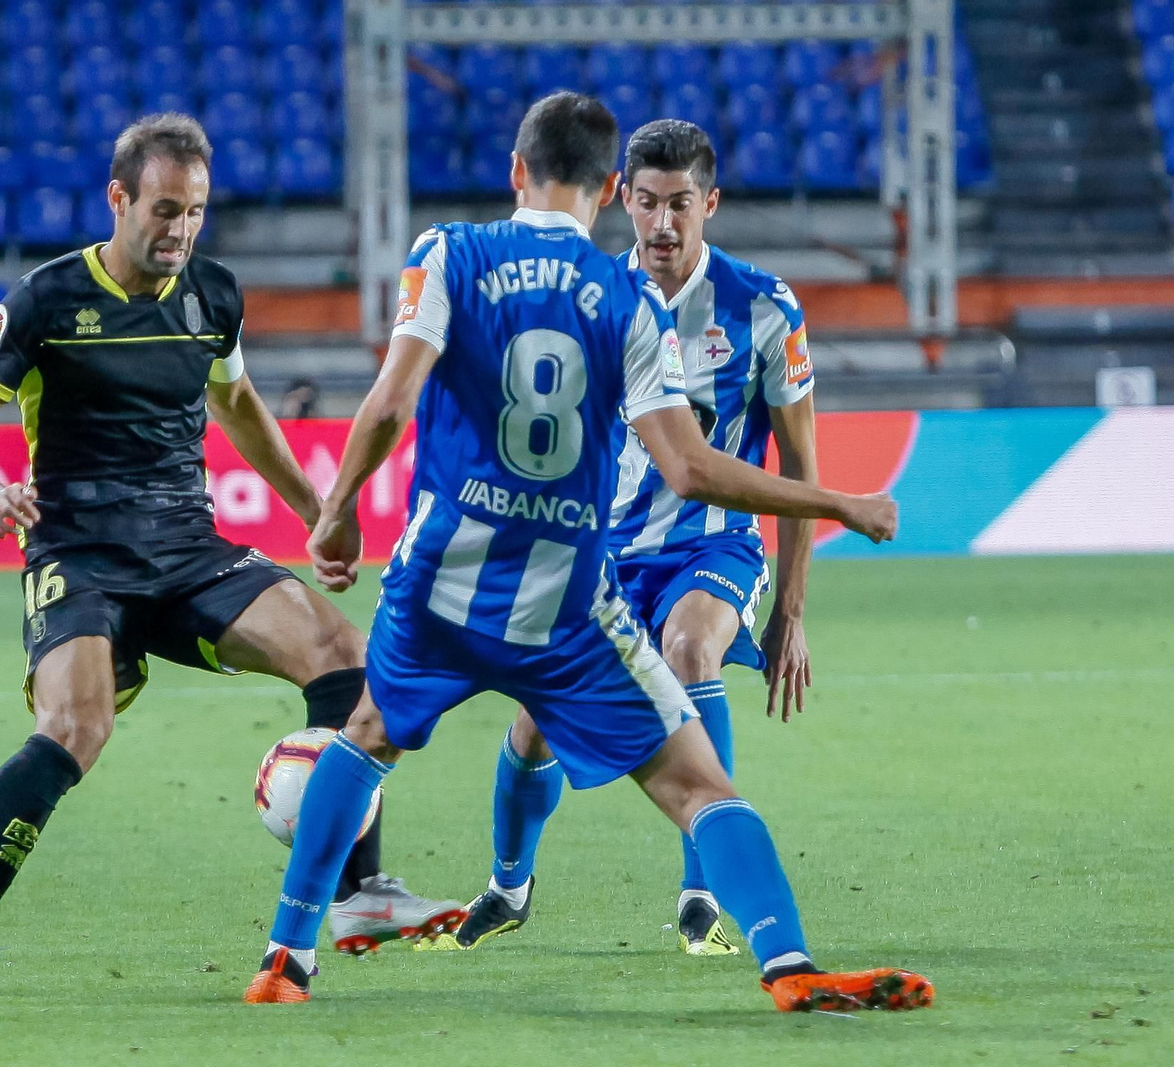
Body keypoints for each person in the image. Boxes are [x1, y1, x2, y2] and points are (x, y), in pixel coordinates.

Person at [243, 92, 932, 1014]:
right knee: (696, 784)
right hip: (566, 603)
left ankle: (287, 959)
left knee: (365, 735)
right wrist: (838, 502)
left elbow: (393, 401)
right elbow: (689, 467)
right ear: (613, 191)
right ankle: (788, 963)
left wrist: (334, 513)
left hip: (439, 578)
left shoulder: (447, 253)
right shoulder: (630, 301)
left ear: (517, 170)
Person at [0, 114, 458, 999]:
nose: (181, 230)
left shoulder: (212, 295)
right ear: (118, 199)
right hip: (79, 549)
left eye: (196, 212)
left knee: (344, 653)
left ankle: (357, 893)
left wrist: (321, 510)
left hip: (187, 548)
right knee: (76, 726)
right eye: (165, 210)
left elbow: (238, 408)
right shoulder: (46, 300)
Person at [447, 120, 823, 957]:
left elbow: (800, 464)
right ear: (622, 197)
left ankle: (702, 890)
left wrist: (791, 609)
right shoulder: (594, 297)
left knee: (691, 647)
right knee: (536, 721)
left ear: (710, 204)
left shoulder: (765, 307)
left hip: (711, 546)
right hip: (600, 551)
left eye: (680, 205)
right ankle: (510, 883)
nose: (661, 224)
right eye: (646, 202)